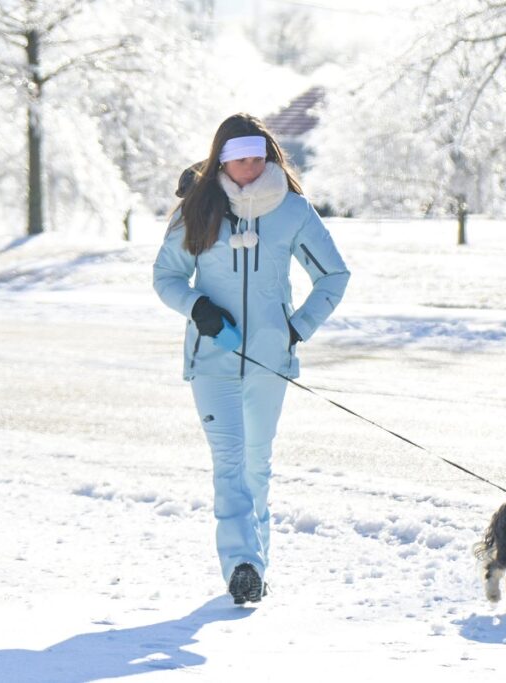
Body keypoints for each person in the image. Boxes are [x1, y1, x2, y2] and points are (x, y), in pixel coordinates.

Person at [153, 113, 350, 604]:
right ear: (223, 157)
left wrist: (296, 328)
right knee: (230, 464)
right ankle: (243, 564)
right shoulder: (196, 211)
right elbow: (166, 277)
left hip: (270, 361)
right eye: (240, 156)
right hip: (211, 359)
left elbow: (334, 276)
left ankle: (255, 566)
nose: (250, 164)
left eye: (257, 155)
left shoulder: (293, 211)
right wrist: (199, 308)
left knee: (256, 465)